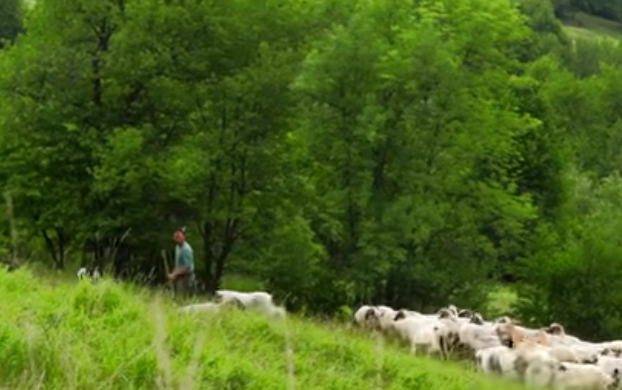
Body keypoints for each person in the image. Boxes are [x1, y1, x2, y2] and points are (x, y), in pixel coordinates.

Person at [168, 227, 195, 296]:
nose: (177, 238)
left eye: (179, 236)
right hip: (179, 277)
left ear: (184, 237)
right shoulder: (177, 248)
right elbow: (178, 264)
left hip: (186, 278)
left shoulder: (186, 249)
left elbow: (186, 267)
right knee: (177, 297)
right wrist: (173, 274)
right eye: (176, 236)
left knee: (184, 298)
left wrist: (174, 274)